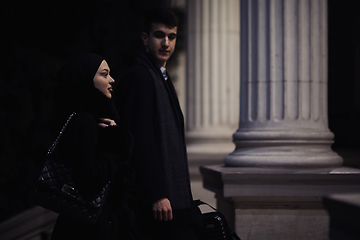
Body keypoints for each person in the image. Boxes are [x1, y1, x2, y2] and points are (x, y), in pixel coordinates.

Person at [115, 8, 202, 240]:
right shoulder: (139, 76)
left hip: (173, 200)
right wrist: (156, 194)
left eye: (171, 37)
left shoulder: (159, 75)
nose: (166, 43)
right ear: (145, 38)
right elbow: (140, 139)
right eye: (159, 35)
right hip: (158, 204)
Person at [50, 53, 137, 240]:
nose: (112, 80)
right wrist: (116, 143)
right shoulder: (84, 120)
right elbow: (89, 181)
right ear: (87, 78)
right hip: (89, 228)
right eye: (104, 74)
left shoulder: (81, 117)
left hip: (83, 222)